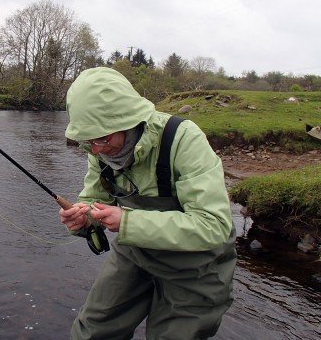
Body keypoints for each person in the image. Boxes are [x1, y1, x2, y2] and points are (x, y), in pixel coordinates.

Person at [59, 67, 236, 339]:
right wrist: (84, 217)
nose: (96, 150)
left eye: (102, 139)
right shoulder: (99, 148)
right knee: (91, 333)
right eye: (88, 140)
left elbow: (213, 226)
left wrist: (127, 221)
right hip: (136, 251)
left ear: (129, 122)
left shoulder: (183, 139)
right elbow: (94, 198)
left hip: (197, 266)